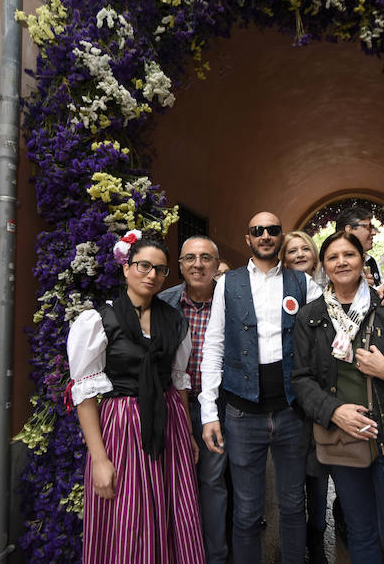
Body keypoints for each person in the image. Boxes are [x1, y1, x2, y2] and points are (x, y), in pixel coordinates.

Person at [292, 231, 384, 564]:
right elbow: (301, 378)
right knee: (361, 532)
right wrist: (334, 411)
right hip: (343, 439)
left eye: (349, 255)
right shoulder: (310, 316)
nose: (341, 262)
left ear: (362, 260)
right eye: (333, 257)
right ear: (324, 265)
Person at [67, 234, 204, 564]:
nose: (152, 274)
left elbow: (177, 381)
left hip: (168, 424)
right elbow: (84, 394)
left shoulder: (173, 321)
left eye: (160, 269)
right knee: (127, 512)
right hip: (122, 427)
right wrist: (99, 459)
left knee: (173, 509)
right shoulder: (99, 321)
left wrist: (186, 434)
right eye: (144, 265)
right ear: (127, 269)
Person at [199, 211, 323, 564]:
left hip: (291, 411)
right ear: (248, 239)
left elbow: (338, 316)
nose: (266, 235)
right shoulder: (228, 283)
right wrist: (210, 413)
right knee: (247, 510)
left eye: (272, 230)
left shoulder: (302, 283)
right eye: (258, 230)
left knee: (293, 504)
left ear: (281, 237)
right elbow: (214, 346)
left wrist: (382, 291)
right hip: (241, 414)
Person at [159, 235, 228, 564]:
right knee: (175, 480)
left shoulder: (232, 300)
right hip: (175, 406)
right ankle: (180, 551)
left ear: (217, 265)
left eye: (205, 258)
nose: (197, 264)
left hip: (217, 406)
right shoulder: (164, 303)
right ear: (180, 265)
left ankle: (214, 555)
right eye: (190, 258)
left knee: (212, 482)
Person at [281, 229, 328, 563]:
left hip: (324, 395)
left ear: (314, 256)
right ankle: (296, 544)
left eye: (304, 249)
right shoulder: (274, 293)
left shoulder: (332, 291)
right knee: (293, 476)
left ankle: (318, 539)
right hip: (290, 399)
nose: (298, 254)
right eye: (291, 250)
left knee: (320, 472)